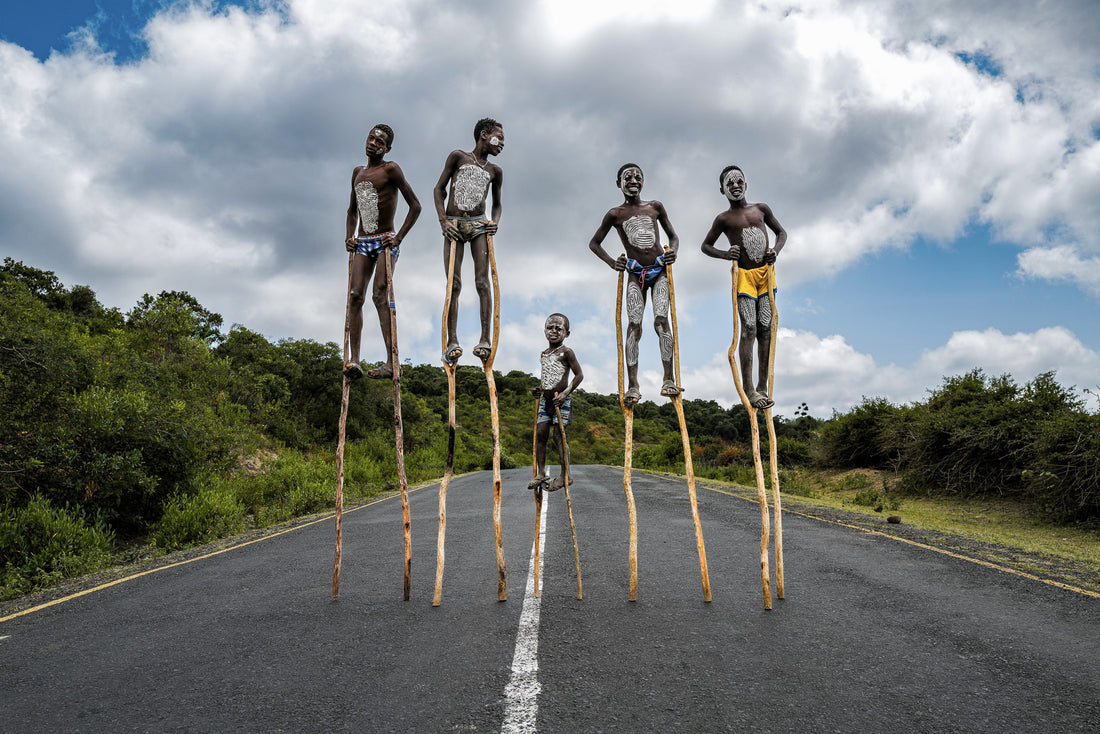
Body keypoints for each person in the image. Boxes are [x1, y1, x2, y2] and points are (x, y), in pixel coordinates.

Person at [588, 163, 680, 405]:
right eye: (627, 177)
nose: (633, 180)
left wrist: (673, 252)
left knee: (661, 321)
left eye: (638, 177)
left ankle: (668, 379)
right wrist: (612, 263)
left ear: (643, 181)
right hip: (635, 273)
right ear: (619, 184)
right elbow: (594, 243)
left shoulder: (655, 207)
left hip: (659, 270)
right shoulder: (615, 214)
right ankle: (633, 385)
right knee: (634, 326)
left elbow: (673, 236)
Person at [700, 165, 787, 409]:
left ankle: (762, 387)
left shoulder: (761, 209)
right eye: (730, 183)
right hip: (745, 277)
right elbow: (705, 246)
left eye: (739, 181)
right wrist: (726, 254)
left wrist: (774, 252)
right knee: (749, 328)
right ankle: (749, 390)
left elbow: (781, 233)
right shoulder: (724, 219)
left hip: (766, 275)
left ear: (746, 184)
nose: (735, 186)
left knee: (766, 328)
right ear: (722, 190)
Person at [343, 124, 421, 380]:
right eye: (371, 138)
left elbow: (415, 206)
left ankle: (391, 362)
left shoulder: (391, 169)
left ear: (387, 148)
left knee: (379, 294)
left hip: (385, 241)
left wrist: (398, 238)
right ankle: (354, 360)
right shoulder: (357, 172)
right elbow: (352, 210)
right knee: (355, 295)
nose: (373, 144)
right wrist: (349, 237)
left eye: (380, 142)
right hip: (363, 242)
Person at [432, 117, 505, 363]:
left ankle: (485, 340)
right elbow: (439, 190)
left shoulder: (495, 171)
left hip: (479, 227)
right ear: (484, 135)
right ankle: (452, 341)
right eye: (499, 137)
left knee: (482, 282)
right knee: (453, 283)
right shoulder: (458, 157)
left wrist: (494, 222)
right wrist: (443, 221)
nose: (502, 143)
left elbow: (497, 205)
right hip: (453, 223)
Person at [530, 313, 584, 491]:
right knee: (541, 435)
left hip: (561, 401)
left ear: (566, 333)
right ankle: (540, 472)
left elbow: (579, 375)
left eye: (558, 328)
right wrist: (540, 389)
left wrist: (565, 393)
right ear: (544, 330)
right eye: (549, 327)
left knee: (558, 437)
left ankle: (565, 475)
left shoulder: (567, 352)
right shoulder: (544, 354)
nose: (553, 331)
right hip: (546, 402)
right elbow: (548, 377)